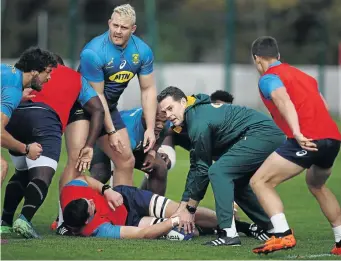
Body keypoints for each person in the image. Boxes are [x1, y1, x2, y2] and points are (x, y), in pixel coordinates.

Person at [157, 86, 286, 246]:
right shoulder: (194, 114)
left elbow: (203, 169)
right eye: (165, 112)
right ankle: (272, 227)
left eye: (171, 108)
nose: (168, 115)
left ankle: (229, 234)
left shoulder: (198, 122)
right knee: (236, 182)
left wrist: (190, 210)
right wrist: (183, 206)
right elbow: (196, 166)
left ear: (183, 102)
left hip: (263, 134)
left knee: (219, 172)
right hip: (264, 134)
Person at [249, 36, 341, 255]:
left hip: (307, 138)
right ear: (279, 56)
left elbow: (283, 100)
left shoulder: (269, 78)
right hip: (332, 139)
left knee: (260, 181)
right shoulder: (305, 76)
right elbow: (323, 105)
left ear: (257, 59)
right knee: (316, 184)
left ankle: (282, 234)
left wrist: (298, 133)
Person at [0, 55, 104, 239]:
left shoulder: (25, 74)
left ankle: (5, 222)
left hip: (14, 117)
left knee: (21, 171)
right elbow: (98, 109)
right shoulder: (74, 77)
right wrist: (89, 145)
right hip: (45, 120)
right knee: (42, 174)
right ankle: (24, 219)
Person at [78, 3, 157, 188]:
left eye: (124, 27)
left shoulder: (142, 51)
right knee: (78, 162)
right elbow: (97, 96)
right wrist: (111, 131)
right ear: (109, 23)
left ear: (133, 29)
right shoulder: (93, 52)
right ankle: (64, 217)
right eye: (115, 26)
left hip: (108, 107)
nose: (118, 31)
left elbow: (148, 90)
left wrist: (150, 128)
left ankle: (121, 216)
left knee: (126, 161)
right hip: (81, 108)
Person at [58, 175, 218, 240]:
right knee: (183, 228)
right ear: (87, 220)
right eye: (91, 206)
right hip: (131, 221)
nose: (92, 201)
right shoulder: (99, 230)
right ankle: (211, 229)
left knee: (183, 210)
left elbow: (84, 178)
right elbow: (142, 233)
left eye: (89, 199)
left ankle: (225, 220)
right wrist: (174, 221)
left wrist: (106, 190)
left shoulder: (71, 190)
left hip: (127, 197)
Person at [0, 47, 57, 186]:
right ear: (34, 72)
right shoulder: (13, 89)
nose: (49, 78)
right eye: (47, 72)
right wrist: (25, 149)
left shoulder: (8, 72)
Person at [90, 107, 171, 196]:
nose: (160, 125)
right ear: (145, 118)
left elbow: (162, 133)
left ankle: (151, 207)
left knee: (160, 166)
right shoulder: (129, 132)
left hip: (130, 144)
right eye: (157, 121)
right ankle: (83, 203)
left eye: (163, 121)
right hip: (105, 138)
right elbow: (122, 164)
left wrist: (152, 153)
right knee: (101, 174)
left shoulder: (164, 120)